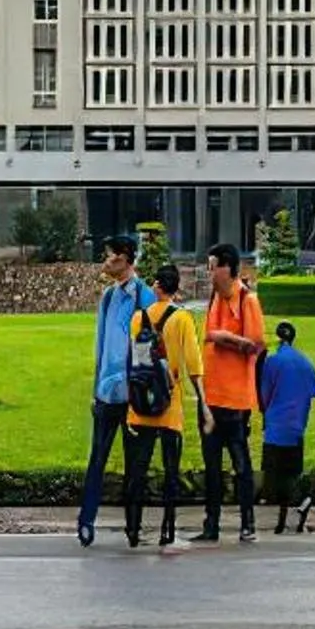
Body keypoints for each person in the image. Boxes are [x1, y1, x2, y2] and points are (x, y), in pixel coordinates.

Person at [77, 235, 154, 548]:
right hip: (107, 393)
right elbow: (100, 346)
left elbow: (151, 347)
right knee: (97, 459)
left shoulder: (143, 296)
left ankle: (133, 526)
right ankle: (86, 521)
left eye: (110, 256)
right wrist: (96, 388)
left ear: (125, 259)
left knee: (135, 465)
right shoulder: (108, 297)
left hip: (133, 395)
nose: (105, 262)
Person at [122, 261, 204, 550]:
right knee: (171, 471)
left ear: (157, 286)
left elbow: (135, 360)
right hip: (170, 405)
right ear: (176, 288)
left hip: (142, 404)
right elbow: (193, 362)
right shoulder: (182, 319)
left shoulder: (137, 318)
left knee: (138, 471)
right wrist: (202, 401)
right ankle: (167, 529)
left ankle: (133, 528)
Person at [195, 243, 264, 544]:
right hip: (210, 397)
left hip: (235, 398)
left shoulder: (247, 300)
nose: (210, 272)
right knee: (211, 465)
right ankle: (212, 524)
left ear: (227, 268)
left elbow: (257, 343)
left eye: (213, 266)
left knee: (240, 464)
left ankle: (247, 522)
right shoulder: (214, 299)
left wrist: (226, 338)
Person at [257, 319, 315, 534]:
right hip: (296, 426)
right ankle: (291, 512)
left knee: (275, 475)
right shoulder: (304, 362)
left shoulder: (273, 362)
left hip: (276, 426)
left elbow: (264, 394)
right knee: (292, 472)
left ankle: (285, 514)